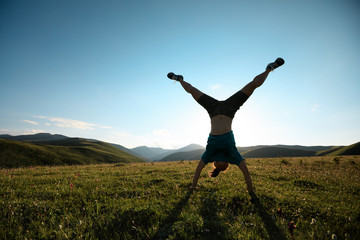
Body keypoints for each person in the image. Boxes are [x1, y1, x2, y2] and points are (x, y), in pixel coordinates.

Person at [168, 58, 284, 193]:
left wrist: (193, 186)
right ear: (228, 162)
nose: (222, 165)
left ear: (215, 164)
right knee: (252, 85)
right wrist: (250, 190)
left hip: (213, 109)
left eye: (219, 167)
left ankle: (179, 79)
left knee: (192, 91)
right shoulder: (232, 154)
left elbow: (198, 170)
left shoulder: (210, 154)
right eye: (224, 167)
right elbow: (245, 172)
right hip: (230, 109)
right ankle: (270, 68)